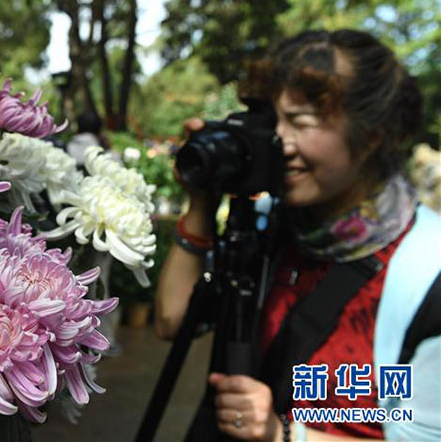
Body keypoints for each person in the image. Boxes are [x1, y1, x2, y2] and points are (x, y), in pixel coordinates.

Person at [154, 29, 440, 441]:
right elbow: (171, 321)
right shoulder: (269, 222)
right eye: (273, 120)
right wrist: (201, 201)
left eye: (301, 122)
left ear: (371, 137)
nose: (280, 142)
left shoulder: (428, 268)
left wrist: (285, 435)